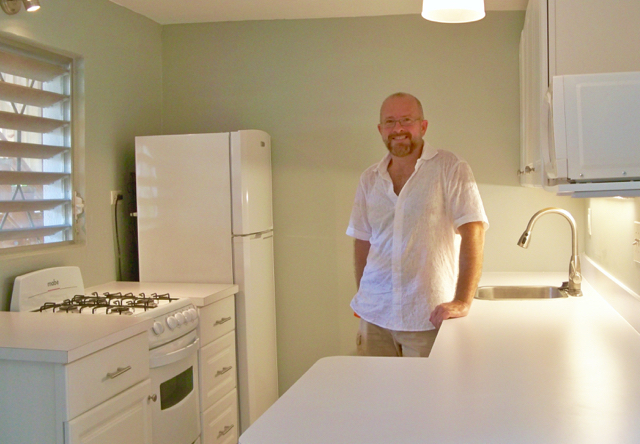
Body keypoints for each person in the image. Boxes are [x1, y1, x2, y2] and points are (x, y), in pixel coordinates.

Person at [346, 92, 488, 357]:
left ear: (423, 126)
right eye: (390, 122)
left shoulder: (450, 168)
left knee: (428, 398)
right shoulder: (369, 179)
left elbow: (474, 232)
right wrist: (365, 294)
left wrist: (462, 301)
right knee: (375, 398)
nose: (398, 129)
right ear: (380, 130)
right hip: (375, 318)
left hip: (428, 318)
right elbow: (363, 240)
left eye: (406, 120)